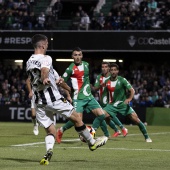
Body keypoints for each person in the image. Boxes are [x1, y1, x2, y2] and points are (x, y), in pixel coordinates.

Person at [26, 34, 108, 165]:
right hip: (53, 98)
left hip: (39, 102)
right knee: (77, 118)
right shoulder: (46, 58)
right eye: (46, 44)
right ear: (42, 45)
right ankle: (92, 143)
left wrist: (60, 84)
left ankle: (48, 153)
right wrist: (45, 78)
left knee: (50, 130)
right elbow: (44, 71)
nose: (47, 46)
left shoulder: (29, 61)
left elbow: (42, 75)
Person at [56, 47, 109, 143]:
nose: (77, 57)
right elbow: (60, 82)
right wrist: (69, 91)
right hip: (78, 98)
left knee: (102, 115)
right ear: (72, 56)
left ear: (82, 55)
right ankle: (60, 130)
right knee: (77, 120)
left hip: (89, 97)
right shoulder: (70, 68)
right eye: (75, 55)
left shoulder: (86, 65)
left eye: (79, 55)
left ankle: (92, 131)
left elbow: (86, 79)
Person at [102, 63, 152, 142]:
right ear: (109, 71)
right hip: (112, 105)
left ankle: (147, 137)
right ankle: (117, 130)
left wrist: (129, 98)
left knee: (136, 120)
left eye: (115, 70)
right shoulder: (107, 81)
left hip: (123, 104)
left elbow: (132, 90)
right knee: (103, 115)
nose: (113, 72)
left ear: (117, 71)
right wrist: (108, 102)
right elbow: (108, 93)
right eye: (111, 70)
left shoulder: (122, 80)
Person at [26, 69, 71, 136]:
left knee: (52, 112)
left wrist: (68, 94)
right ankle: (35, 124)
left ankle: (53, 132)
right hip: (36, 95)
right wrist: (30, 91)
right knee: (33, 115)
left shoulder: (52, 71)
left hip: (49, 95)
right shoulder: (36, 69)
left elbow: (60, 82)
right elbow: (28, 80)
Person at [91, 62, 128, 137]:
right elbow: (95, 88)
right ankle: (117, 130)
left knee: (103, 116)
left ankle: (95, 133)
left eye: (105, 67)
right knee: (107, 117)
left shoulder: (112, 76)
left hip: (109, 99)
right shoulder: (99, 77)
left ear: (108, 68)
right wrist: (94, 86)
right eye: (102, 67)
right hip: (101, 98)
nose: (104, 68)